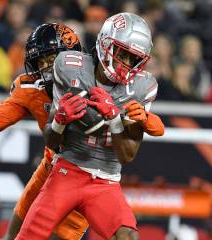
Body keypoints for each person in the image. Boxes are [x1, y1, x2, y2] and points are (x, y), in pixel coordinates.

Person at [16, 13, 164, 240]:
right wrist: (59, 121)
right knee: (29, 236)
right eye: (122, 53)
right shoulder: (69, 67)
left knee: (127, 236)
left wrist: (115, 119)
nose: (127, 64)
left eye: (134, 59)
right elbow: (52, 142)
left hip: (105, 181)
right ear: (105, 44)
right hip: (68, 170)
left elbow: (127, 155)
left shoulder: (142, 87)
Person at [0, 23, 89, 240]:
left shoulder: (96, 82)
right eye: (42, 62)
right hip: (52, 164)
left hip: (87, 173)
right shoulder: (32, 90)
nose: (47, 68)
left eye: (53, 59)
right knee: (15, 231)